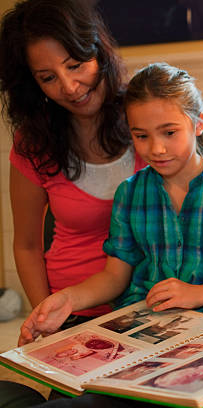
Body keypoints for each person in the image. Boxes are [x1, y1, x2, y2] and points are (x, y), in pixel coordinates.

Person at [18, 62, 203, 348]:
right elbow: (114, 276)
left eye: (169, 132)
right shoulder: (129, 194)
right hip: (145, 331)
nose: (156, 148)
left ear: (198, 123)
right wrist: (68, 298)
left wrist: (201, 293)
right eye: (141, 136)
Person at [0, 0, 145, 321]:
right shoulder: (33, 143)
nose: (68, 87)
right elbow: (26, 246)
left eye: (75, 64)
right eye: (47, 78)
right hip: (73, 309)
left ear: (97, 50)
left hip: (152, 304)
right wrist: (45, 316)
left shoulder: (146, 113)